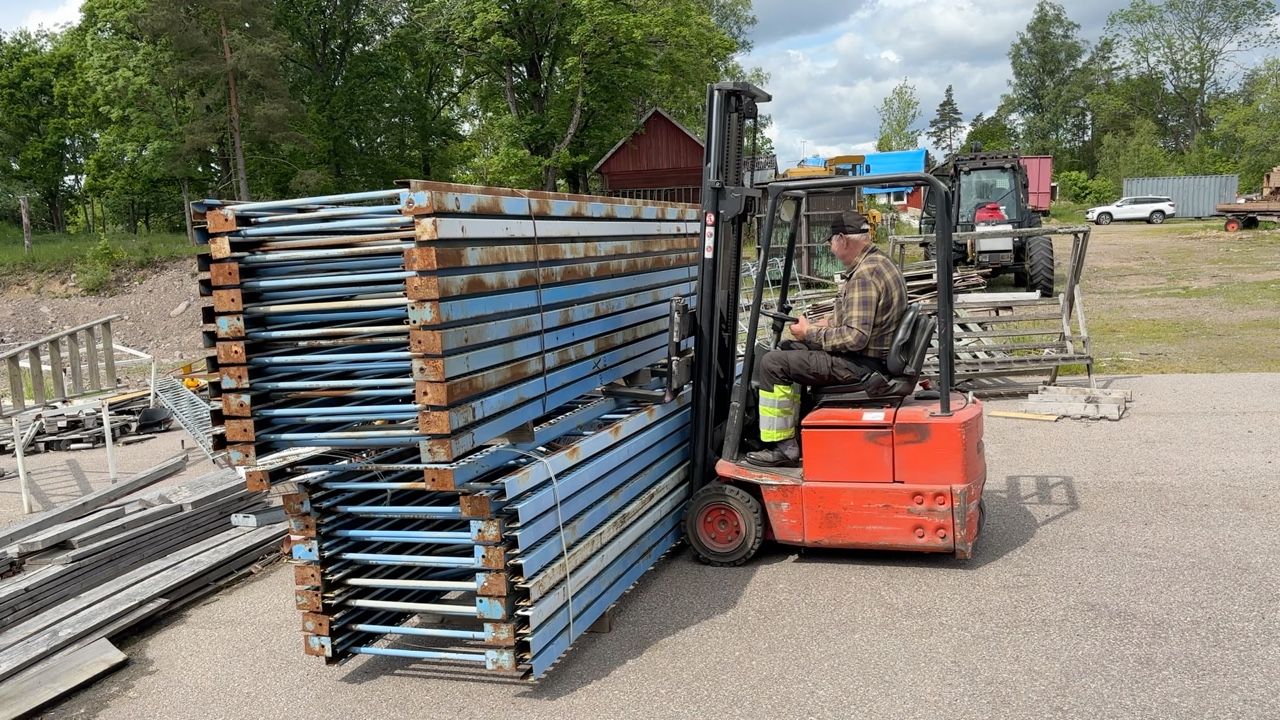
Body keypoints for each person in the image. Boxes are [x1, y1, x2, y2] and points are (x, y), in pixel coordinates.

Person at [746, 210, 909, 468]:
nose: (831, 249)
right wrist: (822, 325)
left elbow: (855, 337)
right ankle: (796, 429)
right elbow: (860, 317)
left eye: (831, 242)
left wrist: (810, 333)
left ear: (842, 239)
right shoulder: (879, 263)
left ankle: (784, 447)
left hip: (862, 364)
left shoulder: (864, 276)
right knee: (788, 347)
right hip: (872, 357)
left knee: (772, 363)